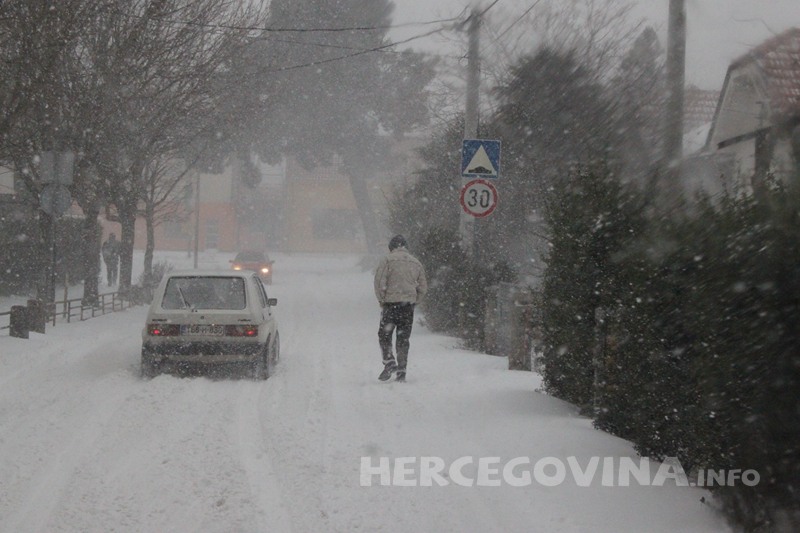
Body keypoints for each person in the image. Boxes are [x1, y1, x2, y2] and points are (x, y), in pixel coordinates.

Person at [373, 234, 427, 382]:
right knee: (403, 338)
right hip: (407, 306)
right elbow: (423, 287)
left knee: (384, 335)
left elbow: (379, 282)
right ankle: (402, 370)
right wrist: (414, 301)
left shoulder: (387, 260)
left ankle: (389, 361)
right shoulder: (416, 262)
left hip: (390, 304)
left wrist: (382, 300)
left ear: (391, 247)